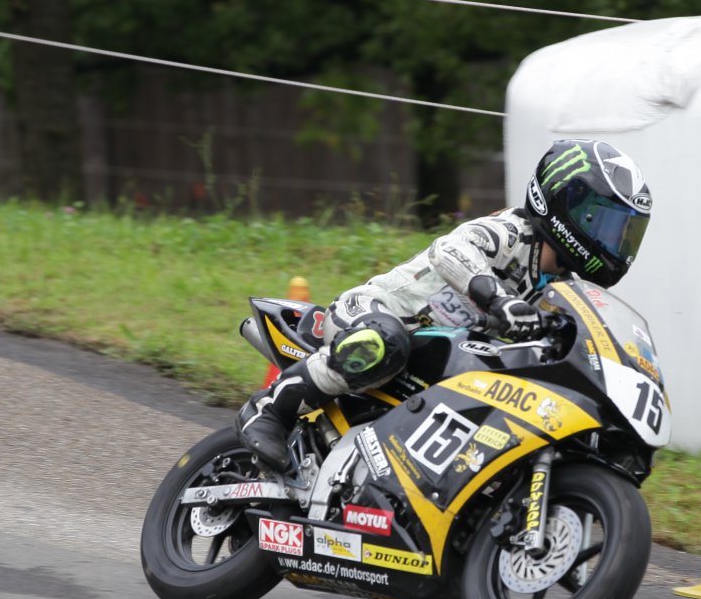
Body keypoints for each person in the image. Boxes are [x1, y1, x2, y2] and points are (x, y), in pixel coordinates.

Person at [236, 137, 654, 473]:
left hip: (433, 363)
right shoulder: (512, 232)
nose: (616, 242)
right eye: (608, 224)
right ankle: (270, 410)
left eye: (625, 233)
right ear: (567, 202)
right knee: (387, 342)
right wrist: (498, 298)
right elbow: (449, 249)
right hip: (375, 314)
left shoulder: (561, 290)